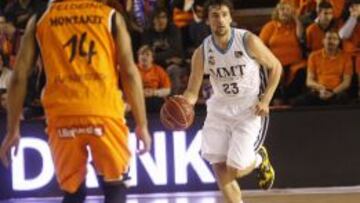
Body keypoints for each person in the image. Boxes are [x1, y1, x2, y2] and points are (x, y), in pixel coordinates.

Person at [0, 0, 151, 203]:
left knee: (73, 192)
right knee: (115, 185)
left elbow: (19, 76)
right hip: (103, 111)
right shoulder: (110, 16)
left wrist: (12, 130)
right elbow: (130, 73)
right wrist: (141, 124)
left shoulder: (42, 18)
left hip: (62, 115)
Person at [182, 0, 282, 202]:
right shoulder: (201, 52)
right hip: (219, 109)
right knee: (219, 167)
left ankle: (258, 158)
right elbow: (192, 92)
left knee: (234, 169)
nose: (220, 20)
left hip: (249, 108)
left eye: (224, 14)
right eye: (215, 15)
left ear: (230, 17)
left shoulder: (247, 40)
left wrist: (266, 100)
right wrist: (182, 104)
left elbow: (276, 66)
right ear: (207, 20)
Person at [292, 30, 353, 106]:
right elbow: (309, 81)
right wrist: (322, 89)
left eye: (334, 39)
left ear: (339, 42)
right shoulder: (313, 56)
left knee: (344, 99)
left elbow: (346, 83)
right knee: (296, 103)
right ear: (323, 41)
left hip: (337, 92)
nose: (331, 41)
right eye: (328, 38)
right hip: (319, 91)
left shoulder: (346, 57)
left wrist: (333, 92)